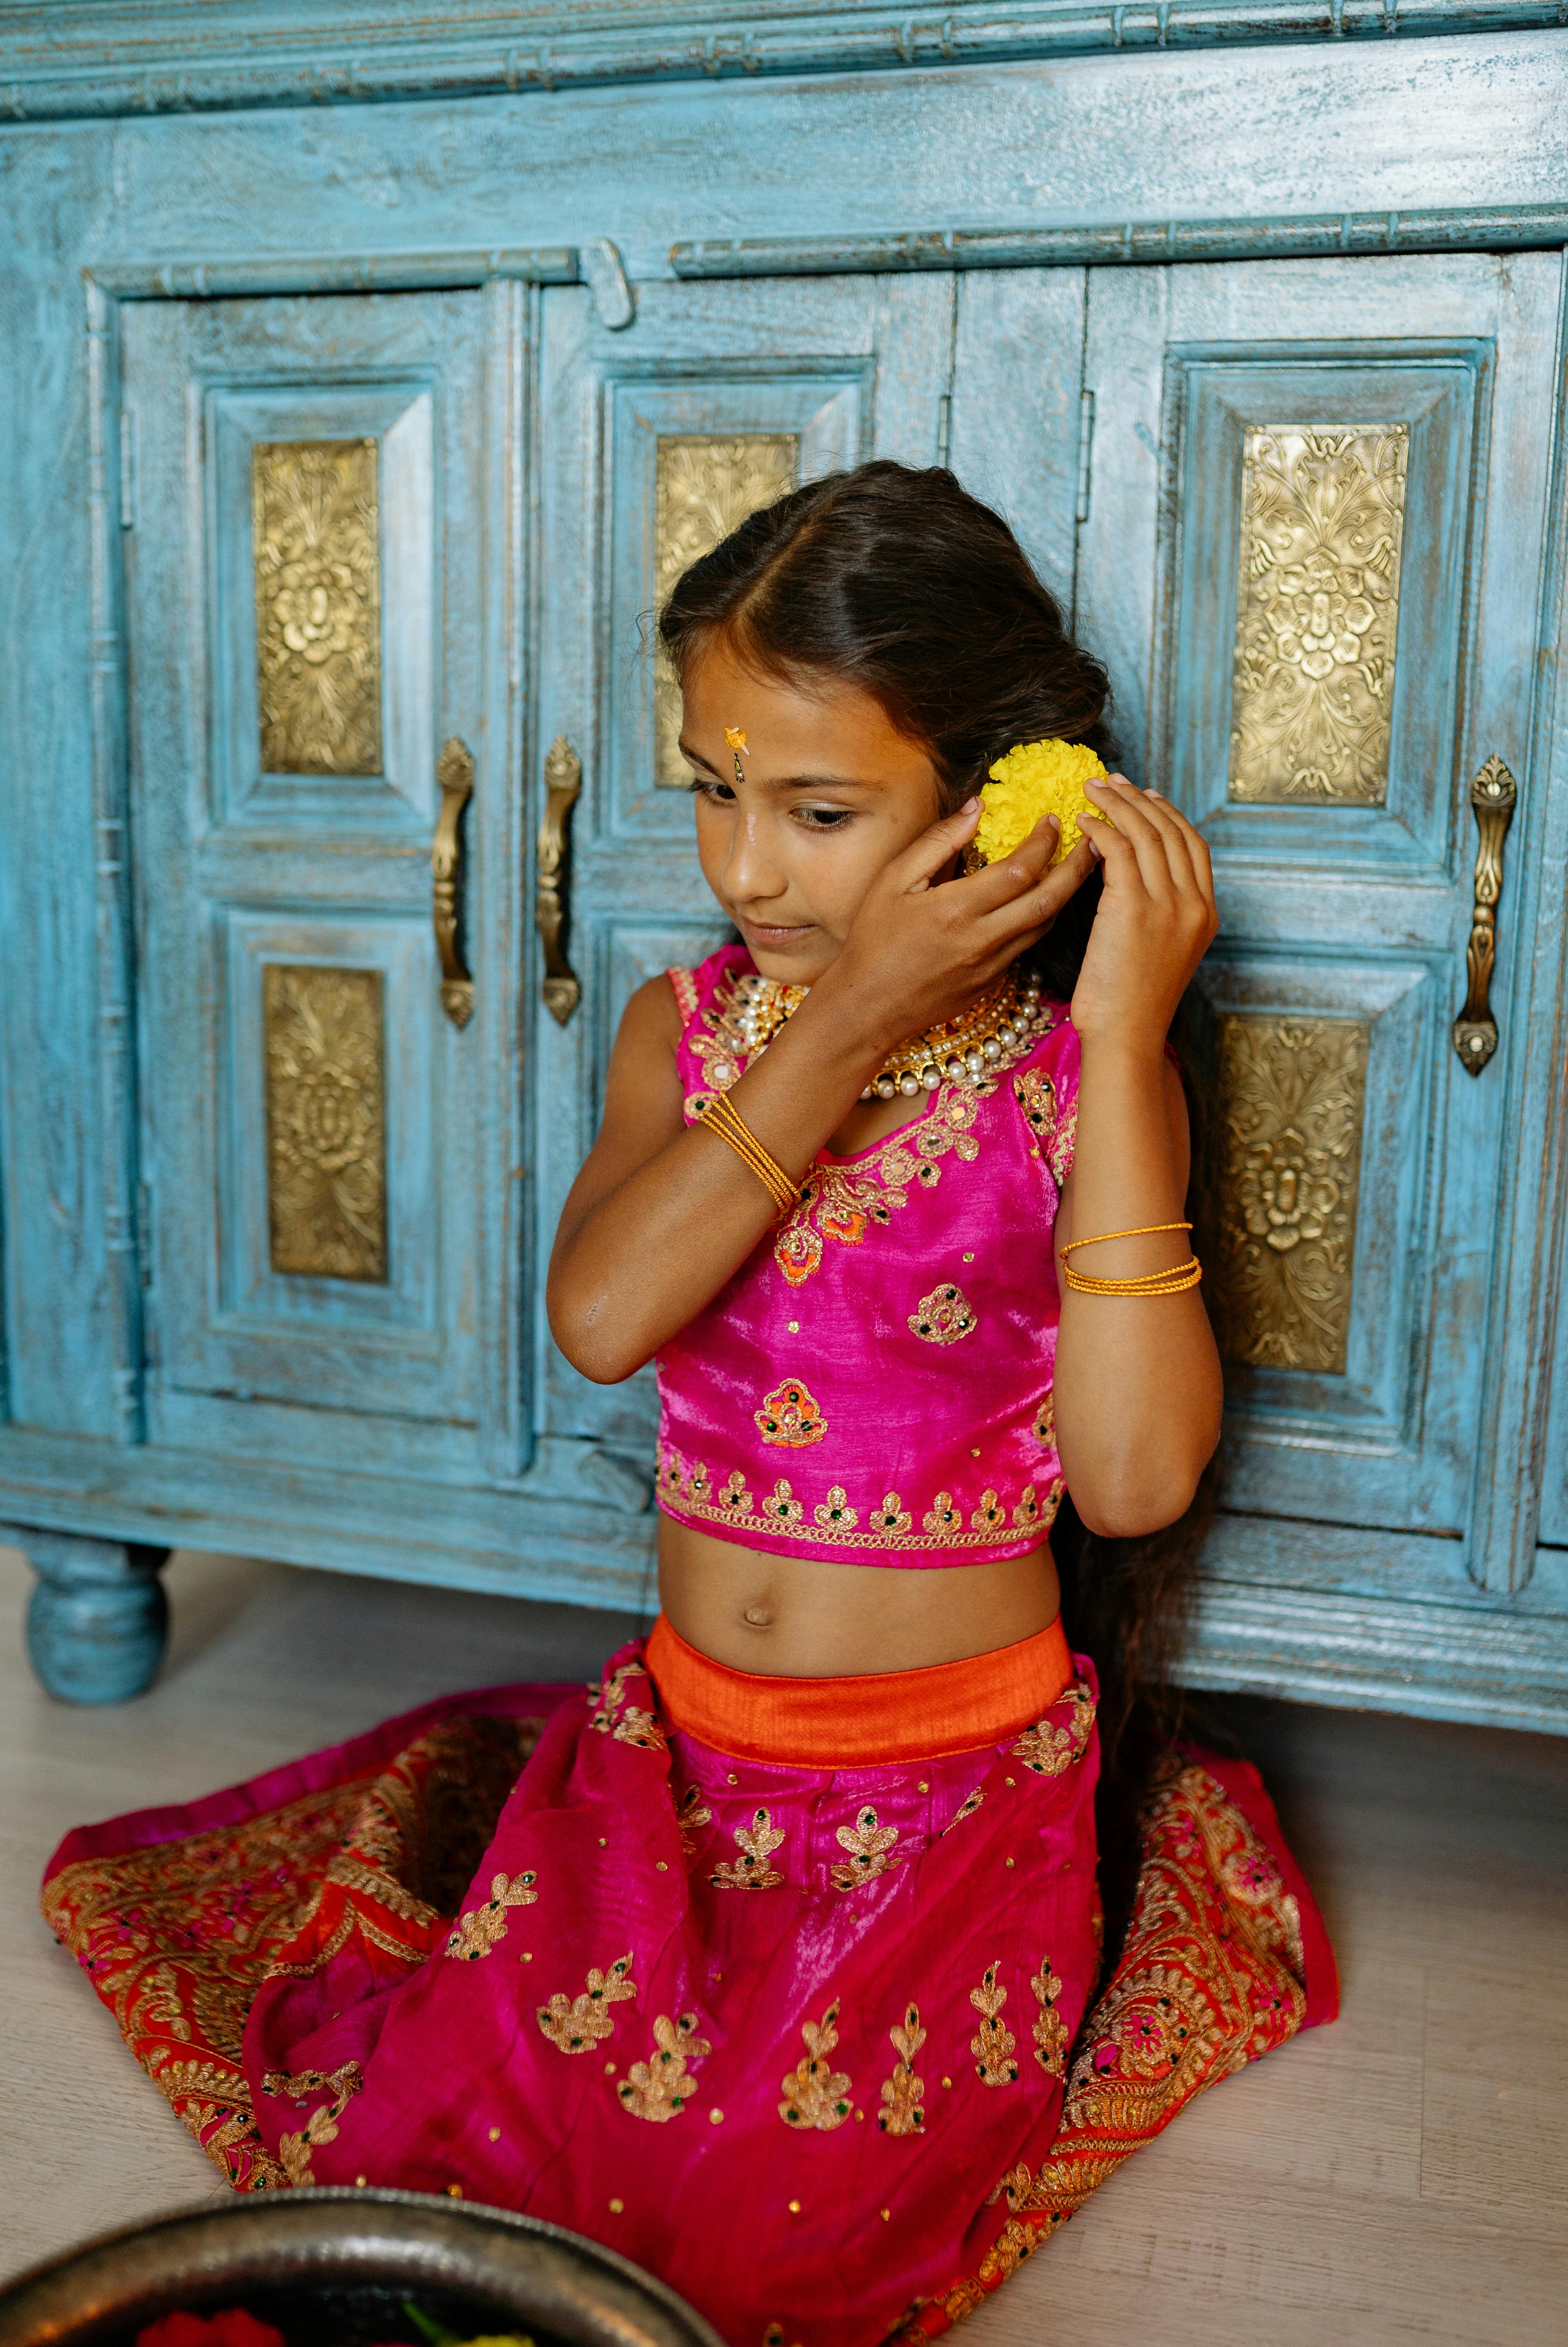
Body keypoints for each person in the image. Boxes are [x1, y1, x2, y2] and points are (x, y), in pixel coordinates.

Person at [43, 464, 1335, 2347]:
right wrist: (842, 1018)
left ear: (997, 807)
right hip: (669, 1762)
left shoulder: (1070, 1081)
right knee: (463, 2155)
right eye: (710, 790)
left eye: (814, 810)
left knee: (728, 2219)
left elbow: (1132, 1480)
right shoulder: (698, 1027)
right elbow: (600, 1314)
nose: (742, 866)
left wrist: (1127, 1035)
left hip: (940, 1805)